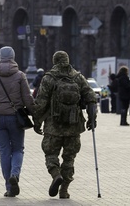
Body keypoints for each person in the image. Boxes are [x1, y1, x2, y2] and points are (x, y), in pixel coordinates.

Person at [32, 51, 97, 199]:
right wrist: (92, 118)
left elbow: (41, 102)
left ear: (54, 61)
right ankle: (64, 190)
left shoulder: (49, 78)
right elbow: (91, 97)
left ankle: (56, 175)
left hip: (53, 126)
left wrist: (37, 121)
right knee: (69, 159)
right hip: (74, 126)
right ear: (68, 60)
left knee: (50, 154)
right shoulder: (78, 77)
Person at [0, 46, 35, 198]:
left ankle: (9, 187)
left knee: (4, 151)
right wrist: (34, 114)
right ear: (13, 56)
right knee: (18, 149)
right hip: (15, 118)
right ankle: (15, 175)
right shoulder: (20, 76)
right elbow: (28, 99)